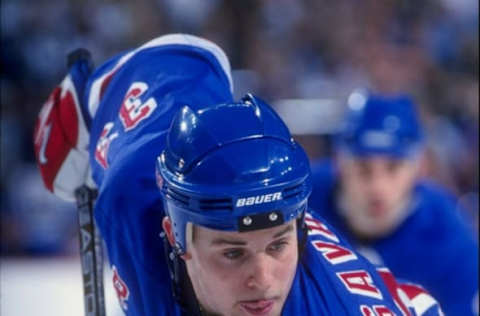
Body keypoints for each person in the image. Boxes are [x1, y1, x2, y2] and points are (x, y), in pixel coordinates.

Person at [33, 34, 443, 316]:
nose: (263, 282)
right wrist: (91, 101)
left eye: (279, 245)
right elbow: (179, 60)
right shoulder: (131, 198)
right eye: (233, 252)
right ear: (175, 236)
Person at [309, 90, 478, 316]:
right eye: (363, 168)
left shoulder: (451, 239)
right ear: (340, 163)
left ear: (419, 167)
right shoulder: (302, 202)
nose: (378, 186)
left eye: (393, 168)